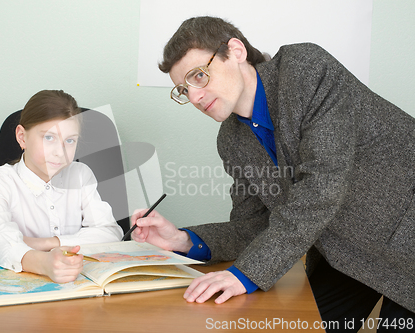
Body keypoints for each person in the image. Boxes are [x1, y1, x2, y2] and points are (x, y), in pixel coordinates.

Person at [131, 16, 415, 332]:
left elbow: (321, 188)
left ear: (235, 51)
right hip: (347, 255)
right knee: (287, 325)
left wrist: (246, 274)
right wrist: (183, 240)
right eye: (184, 89)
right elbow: (253, 226)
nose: (195, 97)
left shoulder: (305, 69)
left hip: (407, 239)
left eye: (199, 75)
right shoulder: (231, 139)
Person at [0, 90, 123, 283]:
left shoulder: (80, 174)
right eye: (49, 138)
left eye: (70, 141)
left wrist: (47, 243)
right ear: (22, 137)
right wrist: (44, 262)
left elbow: (110, 231)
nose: (59, 152)